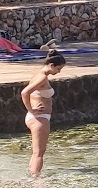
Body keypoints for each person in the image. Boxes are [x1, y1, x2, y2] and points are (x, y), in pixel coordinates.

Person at [19, 50, 65, 178]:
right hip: (39, 118)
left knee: (36, 153)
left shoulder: (39, 74)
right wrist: (31, 109)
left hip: (38, 118)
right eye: (59, 69)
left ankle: (32, 176)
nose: (59, 72)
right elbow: (24, 92)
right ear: (51, 65)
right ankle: (37, 182)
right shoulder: (42, 77)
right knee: (39, 153)